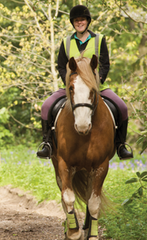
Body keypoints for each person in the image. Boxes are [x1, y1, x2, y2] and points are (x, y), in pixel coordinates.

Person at [36, 5, 133, 160]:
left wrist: (98, 80)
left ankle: (121, 145)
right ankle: (47, 143)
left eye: (82, 19)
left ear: (88, 21)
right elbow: (61, 65)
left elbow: (105, 63)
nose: (79, 22)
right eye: (76, 20)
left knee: (122, 107)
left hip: (95, 87)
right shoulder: (66, 42)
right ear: (73, 23)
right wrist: (69, 83)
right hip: (73, 87)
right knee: (46, 106)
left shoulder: (99, 39)